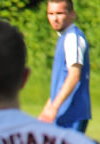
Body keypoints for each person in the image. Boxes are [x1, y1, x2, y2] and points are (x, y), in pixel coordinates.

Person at [38, 0, 91, 132]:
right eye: (51, 13)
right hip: (61, 111)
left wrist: (54, 108)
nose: (55, 18)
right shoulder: (64, 37)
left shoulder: (73, 37)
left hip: (71, 113)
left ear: (72, 14)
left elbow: (74, 75)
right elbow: (60, 81)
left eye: (60, 13)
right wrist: (47, 110)